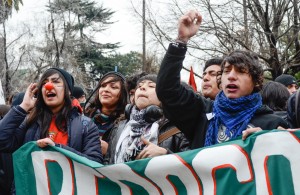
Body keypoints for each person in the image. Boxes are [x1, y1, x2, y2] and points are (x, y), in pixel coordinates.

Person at [156, 10, 289, 149]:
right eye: (226, 71)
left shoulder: (272, 124)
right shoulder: (200, 112)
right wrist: (181, 41)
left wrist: (268, 143)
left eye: (241, 71)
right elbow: (167, 91)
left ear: (256, 81)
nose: (231, 76)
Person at [0, 68, 103, 163]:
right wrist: (23, 106)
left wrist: (57, 149)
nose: (48, 86)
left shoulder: (86, 125)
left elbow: (95, 162)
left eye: (56, 81)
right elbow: (2, 142)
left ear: (68, 91)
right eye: (44, 83)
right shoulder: (30, 121)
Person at [104, 74, 190, 164]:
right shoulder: (119, 127)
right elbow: (107, 162)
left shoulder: (178, 128)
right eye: (140, 86)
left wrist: (166, 155)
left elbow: (192, 167)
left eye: (151, 86)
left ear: (163, 96)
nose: (142, 88)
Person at [84, 71, 127, 154]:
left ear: (123, 94)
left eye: (113, 87)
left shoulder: (127, 123)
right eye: (103, 86)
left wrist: (109, 151)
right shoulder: (84, 117)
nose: (106, 90)